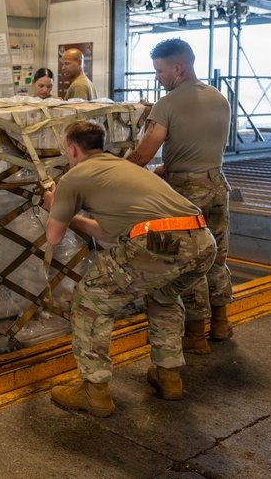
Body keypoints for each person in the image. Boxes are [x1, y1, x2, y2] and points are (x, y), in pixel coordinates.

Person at [42, 121, 215, 417]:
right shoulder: (127, 168)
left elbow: (53, 237)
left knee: (91, 302)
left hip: (158, 243)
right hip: (201, 241)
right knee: (163, 296)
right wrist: (72, 216)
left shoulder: (75, 176)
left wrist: (54, 205)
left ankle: (94, 390)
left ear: (71, 148)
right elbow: (112, 233)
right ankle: (168, 376)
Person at [126, 38, 233, 354]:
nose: (157, 77)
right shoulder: (219, 99)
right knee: (218, 258)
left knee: (190, 262)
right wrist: (167, 169)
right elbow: (198, 148)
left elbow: (145, 154)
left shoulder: (168, 104)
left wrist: (109, 168)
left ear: (178, 68)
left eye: (159, 71)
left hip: (188, 195)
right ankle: (222, 324)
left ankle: (196, 337)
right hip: (217, 186)